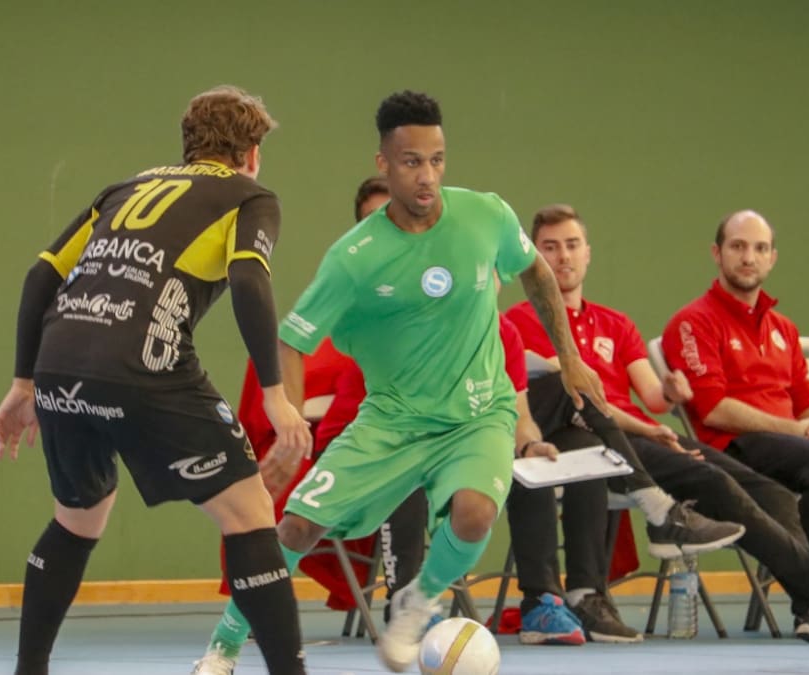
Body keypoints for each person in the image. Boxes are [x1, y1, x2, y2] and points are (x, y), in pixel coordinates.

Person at [193, 89, 610, 675]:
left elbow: (536, 273)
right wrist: (286, 421)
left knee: (473, 513)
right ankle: (225, 644)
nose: (428, 176)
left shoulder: (486, 213)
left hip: (477, 412)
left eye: (437, 159)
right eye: (412, 161)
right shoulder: (355, 258)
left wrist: (567, 357)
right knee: (296, 525)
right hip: (391, 419)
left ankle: (416, 603)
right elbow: (291, 339)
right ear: (384, 164)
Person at [0, 85, 313, 675]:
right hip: (142, 362)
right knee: (250, 514)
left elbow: (42, 274)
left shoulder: (125, 188)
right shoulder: (249, 195)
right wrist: (275, 396)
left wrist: (23, 383)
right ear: (251, 151)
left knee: (78, 516)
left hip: (59, 360)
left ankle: (28, 669)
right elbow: (248, 281)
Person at [508, 204, 809, 643]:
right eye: (550, 248)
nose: (563, 257)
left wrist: (671, 392)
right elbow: (572, 400)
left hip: (648, 438)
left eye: (572, 245)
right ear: (534, 259)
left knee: (769, 490)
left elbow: (651, 396)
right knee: (716, 482)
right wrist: (648, 428)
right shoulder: (519, 323)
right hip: (598, 445)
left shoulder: (617, 324)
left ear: (588, 253)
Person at [662, 210, 809, 559]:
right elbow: (714, 410)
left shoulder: (783, 328)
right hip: (738, 449)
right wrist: (798, 429)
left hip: (799, 443)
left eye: (760, 248)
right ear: (716, 253)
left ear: (772, 258)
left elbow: (805, 402)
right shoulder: (693, 322)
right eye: (737, 246)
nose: (749, 257)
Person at [212, 177, 393, 612]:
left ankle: (408, 596)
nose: (384, 233)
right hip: (326, 448)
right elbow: (284, 357)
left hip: (395, 446)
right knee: (263, 480)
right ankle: (258, 596)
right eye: (372, 222)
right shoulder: (332, 299)